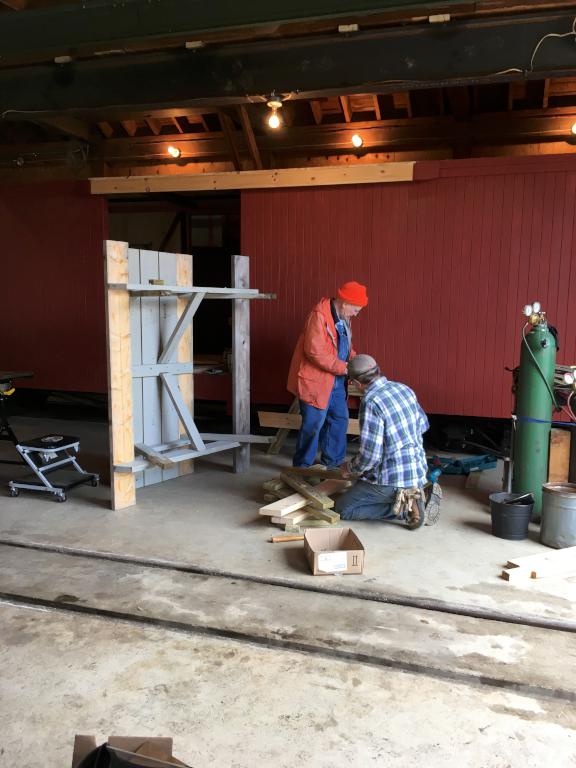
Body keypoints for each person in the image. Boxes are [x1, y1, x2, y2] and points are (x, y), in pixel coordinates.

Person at [336, 354, 441, 528]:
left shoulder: (370, 402)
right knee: (361, 484)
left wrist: (349, 468)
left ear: (356, 383)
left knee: (342, 509)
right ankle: (414, 494)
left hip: (389, 480)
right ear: (378, 370)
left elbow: (370, 457)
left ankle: (403, 509)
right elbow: (423, 425)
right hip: (418, 472)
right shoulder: (403, 389)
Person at [287, 281, 368, 468]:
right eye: (356, 309)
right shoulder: (319, 316)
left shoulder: (344, 318)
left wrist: (356, 364)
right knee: (313, 426)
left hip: (337, 382)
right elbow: (315, 352)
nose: (356, 314)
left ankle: (332, 466)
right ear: (345, 302)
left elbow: (346, 349)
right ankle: (301, 468)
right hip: (316, 382)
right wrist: (346, 368)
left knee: (339, 421)